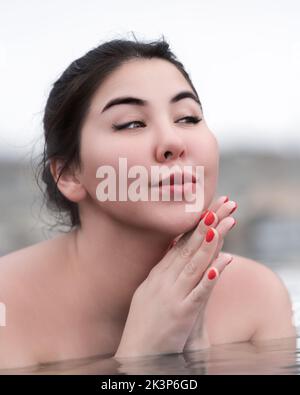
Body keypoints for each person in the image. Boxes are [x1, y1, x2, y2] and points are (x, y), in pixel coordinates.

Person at [0, 36, 296, 370]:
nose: (173, 141)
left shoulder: (258, 298)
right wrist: (140, 361)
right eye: (132, 123)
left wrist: (194, 361)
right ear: (69, 173)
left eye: (187, 118)